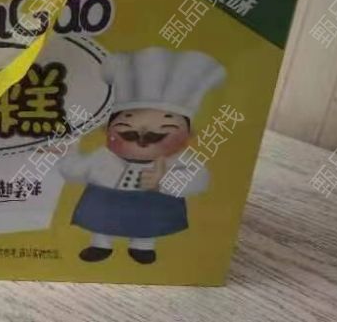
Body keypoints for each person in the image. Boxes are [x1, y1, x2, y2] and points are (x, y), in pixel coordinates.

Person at [58, 47, 226, 264]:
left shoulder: (177, 160)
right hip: (106, 201)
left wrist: (165, 181)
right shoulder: (103, 156)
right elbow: (76, 171)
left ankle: (143, 245)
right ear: (107, 131)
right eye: (127, 122)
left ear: (187, 135)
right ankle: (100, 243)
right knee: (101, 221)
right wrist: (68, 152)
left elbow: (200, 180)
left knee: (148, 224)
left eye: (164, 126)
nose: (143, 133)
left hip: (153, 202)